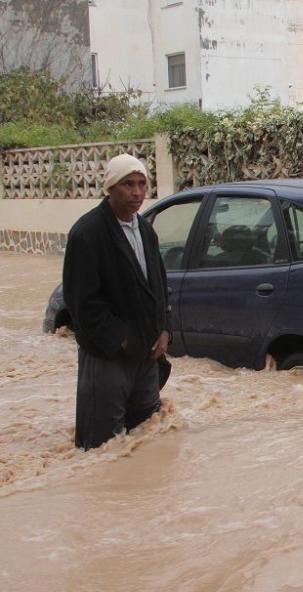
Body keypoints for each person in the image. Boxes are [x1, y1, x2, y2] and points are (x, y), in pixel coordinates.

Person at [62, 154, 171, 450]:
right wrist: (121, 339)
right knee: (103, 448)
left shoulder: (146, 231)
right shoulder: (87, 234)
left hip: (146, 357)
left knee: (147, 437)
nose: (137, 192)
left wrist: (163, 330)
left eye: (141, 184)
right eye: (128, 184)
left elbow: (159, 287)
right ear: (110, 187)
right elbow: (81, 302)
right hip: (107, 358)